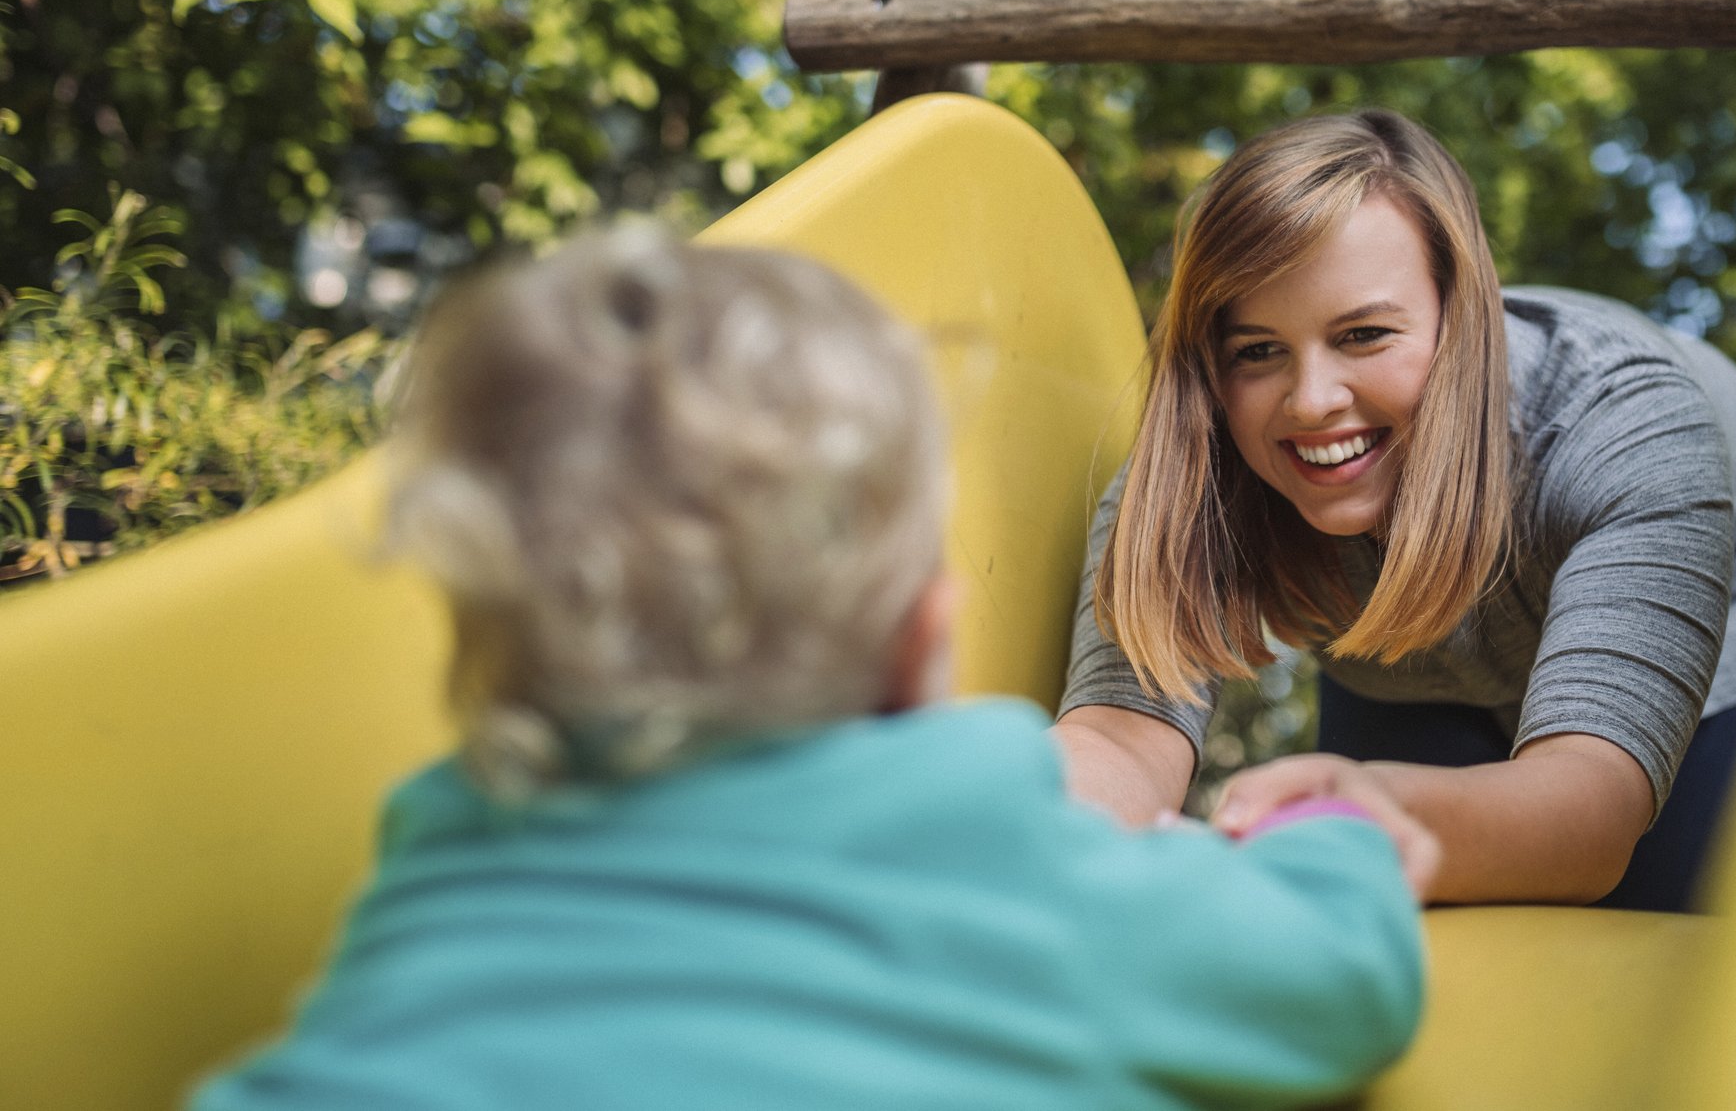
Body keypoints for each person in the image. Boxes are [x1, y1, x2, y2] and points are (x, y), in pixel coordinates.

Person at [190, 225, 1434, 1111]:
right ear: (915, 644)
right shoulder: (1013, 875)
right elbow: (1334, 986)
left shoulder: (440, 875)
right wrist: (1334, 837)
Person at [1054, 110, 1736, 913]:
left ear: (1463, 319)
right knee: (1389, 945)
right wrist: (1042, 833)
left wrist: (1379, 813)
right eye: (1257, 350)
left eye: (1364, 335)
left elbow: (1591, 808)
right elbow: (1118, 738)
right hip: (1414, 668)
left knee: (1666, 926)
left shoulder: (1626, 425)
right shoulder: (1198, 460)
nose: (1312, 402)